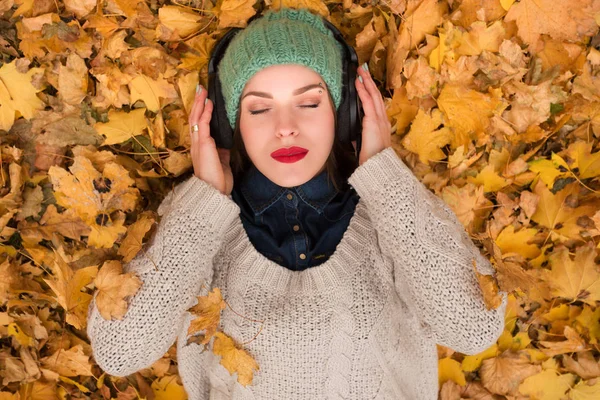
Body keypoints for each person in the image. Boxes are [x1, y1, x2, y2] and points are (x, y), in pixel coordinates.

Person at [87, 7, 507, 399]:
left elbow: (474, 328)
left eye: (308, 102)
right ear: (229, 126)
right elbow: (120, 352)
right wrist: (202, 206)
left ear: (344, 114)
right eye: (259, 109)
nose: (285, 128)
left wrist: (387, 179)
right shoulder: (200, 226)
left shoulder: (392, 212)